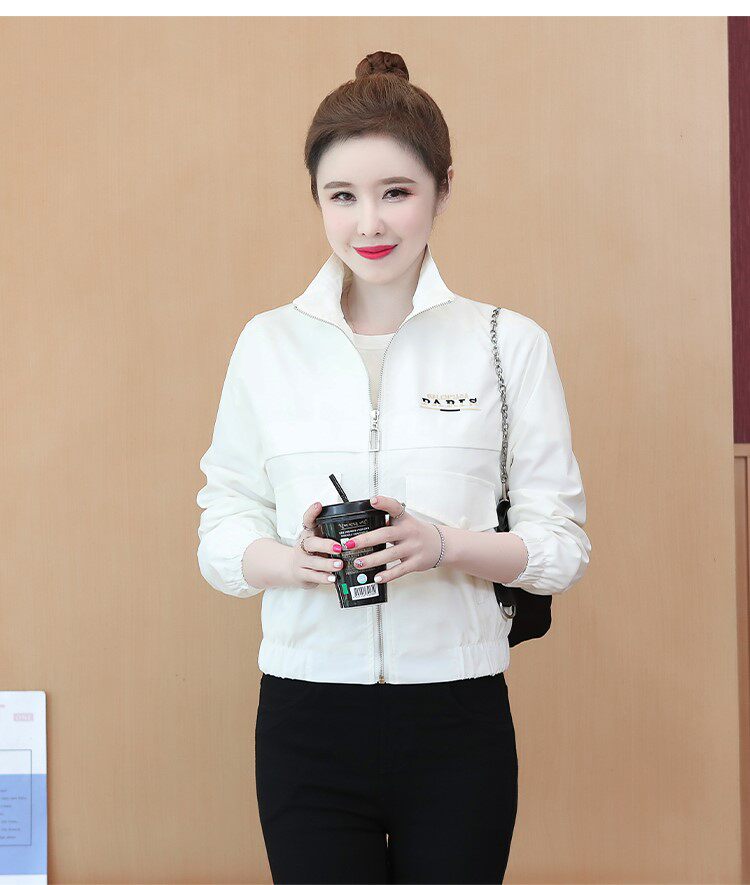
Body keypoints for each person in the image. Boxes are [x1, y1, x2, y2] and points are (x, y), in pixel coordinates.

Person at [196, 50, 591, 885]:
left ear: (443, 188)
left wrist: (444, 545)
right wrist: (292, 561)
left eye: (396, 192)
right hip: (306, 714)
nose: (369, 223)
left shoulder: (507, 343)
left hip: (456, 717)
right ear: (317, 199)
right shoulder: (267, 345)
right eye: (342, 195)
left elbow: (559, 547)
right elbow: (222, 526)